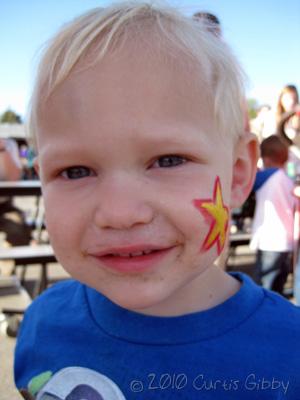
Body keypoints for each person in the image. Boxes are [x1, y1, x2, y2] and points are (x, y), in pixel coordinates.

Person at [14, 3, 300, 399]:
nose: (120, 214)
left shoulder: (290, 355)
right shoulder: (42, 325)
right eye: (76, 171)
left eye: (168, 160)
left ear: (237, 174)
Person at [250, 135, 294, 294]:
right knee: (277, 288)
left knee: (263, 288)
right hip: (286, 242)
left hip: (269, 240)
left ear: (266, 158)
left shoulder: (266, 177)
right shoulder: (287, 179)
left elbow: (247, 181)